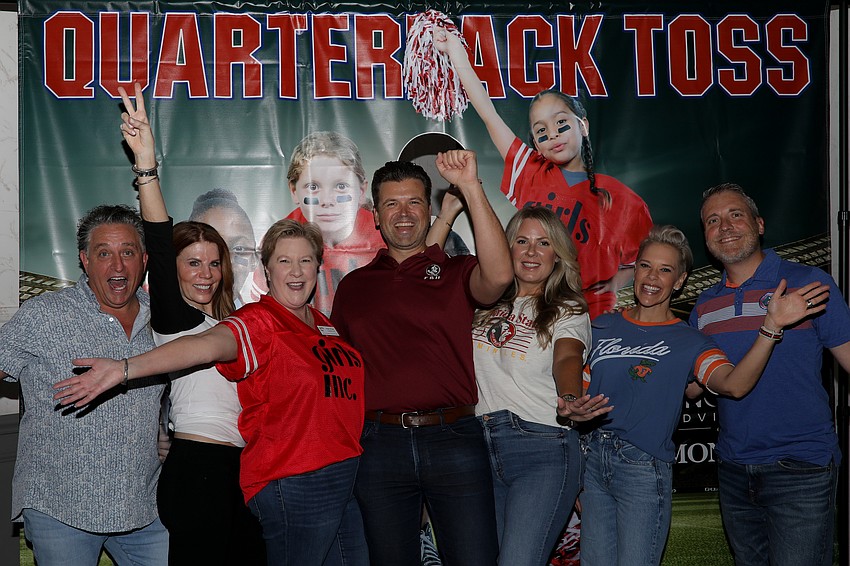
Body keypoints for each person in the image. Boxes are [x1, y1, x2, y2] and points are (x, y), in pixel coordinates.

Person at [54, 219, 368, 566]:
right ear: (266, 269)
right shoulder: (253, 321)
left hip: (310, 469)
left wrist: (161, 424)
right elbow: (205, 346)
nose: (296, 270)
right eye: (284, 260)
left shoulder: (321, 323)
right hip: (263, 472)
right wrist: (124, 368)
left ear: (318, 266)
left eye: (305, 260)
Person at [571, 225, 828, 566]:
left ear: (679, 281)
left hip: (641, 469)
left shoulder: (691, 341)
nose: (652, 277)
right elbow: (577, 400)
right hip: (592, 464)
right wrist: (575, 474)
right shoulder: (601, 327)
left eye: (665, 270)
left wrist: (770, 328)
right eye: (645, 265)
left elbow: (734, 385)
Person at [331, 150, 513, 565]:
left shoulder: (456, 271)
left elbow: (501, 277)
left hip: (454, 438)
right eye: (391, 204)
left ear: (428, 211)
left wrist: (469, 186)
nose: (403, 213)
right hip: (379, 444)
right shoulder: (354, 287)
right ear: (376, 216)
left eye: (414, 202)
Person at [117, 83, 265, 565]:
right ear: (172, 271)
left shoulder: (234, 323)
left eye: (214, 263)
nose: (206, 274)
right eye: (193, 263)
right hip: (200, 468)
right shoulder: (176, 318)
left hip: (244, 468)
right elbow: (159, 240)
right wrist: (146, 166)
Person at [434, 30, 652, 318]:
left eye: (561, 123)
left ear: (583, 125)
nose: (553, 135)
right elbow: (488, 113)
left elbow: (645, 261)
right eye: (542, 131)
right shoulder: (532, 171)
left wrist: (614, 284)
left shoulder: (622, 199)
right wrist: (456, 53)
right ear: (536, 145)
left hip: (588, 316)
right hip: (528, 311)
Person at [688, 183, 850, 566]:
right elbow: (693, 389)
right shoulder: (704, 307)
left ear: (759, 224)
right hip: (733, 469)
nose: (725, 226)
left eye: (735, 215)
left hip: (801, 467)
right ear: (706, 237)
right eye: (713, 220)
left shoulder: (808, 283)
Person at [0, 204, 168, 565]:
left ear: (144, 259)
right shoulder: (44, 314)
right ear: (85, 260)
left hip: (143, 507)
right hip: (60, 508)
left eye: (128, 252)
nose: (118, 266)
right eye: (103, 253)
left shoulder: (163, 320)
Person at [468, 206, 610, 566]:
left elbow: (567, 357)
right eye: (522, 241)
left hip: (542, 447)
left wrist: (570, 396)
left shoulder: (568, 308)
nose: (532, 252)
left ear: (557, 254)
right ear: (506, 248)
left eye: (544, 243)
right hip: (476, 447)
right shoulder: (479, 304)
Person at [251, 131, 385, 314]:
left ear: (361, 190)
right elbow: (262, 311)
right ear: (294, 191)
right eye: (313, 187)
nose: (327, 201)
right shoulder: (279, 241)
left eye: (341, 186)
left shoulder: (384, 234)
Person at [190, 188, 259, 306]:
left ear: (254, 260)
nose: (226, 260)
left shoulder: (261, 317)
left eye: (239, 249)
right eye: (212, 247)